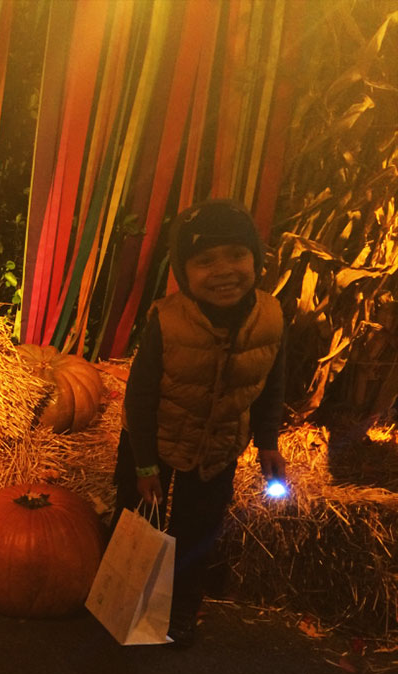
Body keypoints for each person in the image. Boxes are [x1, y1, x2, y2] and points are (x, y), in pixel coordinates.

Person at [111, 199, 287, 647]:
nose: (224, 269)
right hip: (153, 439)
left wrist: (268, 442)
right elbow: (141, 394)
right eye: (205, 260)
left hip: (218, 445)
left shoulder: (270, 318)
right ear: (183, 272)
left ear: (256, 260)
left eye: (237, 255)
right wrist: (145, 465)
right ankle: (124, 603)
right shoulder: (166, 321)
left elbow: (271, 384)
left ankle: (180, 609)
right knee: (137, 518)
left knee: (198, 528)